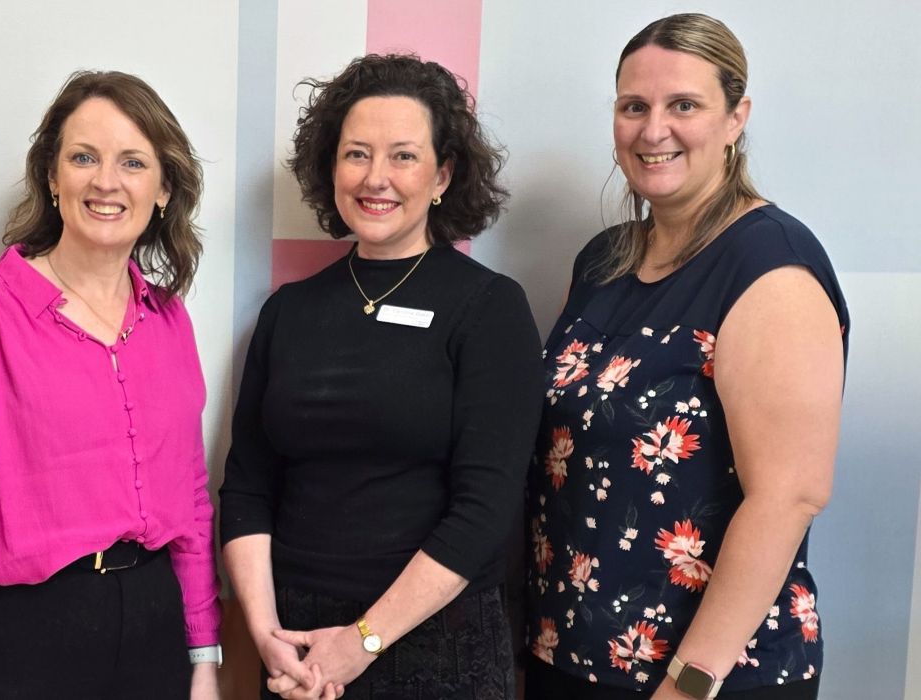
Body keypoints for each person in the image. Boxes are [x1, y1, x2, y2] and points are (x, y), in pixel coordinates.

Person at [524, 13, 847, 700]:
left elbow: (790, 495)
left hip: (708, 677)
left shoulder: (771, 268)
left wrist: (689, 682)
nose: (653, 129)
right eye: (633, 106)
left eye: (684, 106)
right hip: (572, 659)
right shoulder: (603, 260)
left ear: (736, 118)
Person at [219, 54, 544, 700]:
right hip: (299, 650)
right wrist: (266, 635)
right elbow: (248, 487)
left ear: (444, 174)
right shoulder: (288, 311)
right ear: (330, 168)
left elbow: (485, 511)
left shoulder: (489, 309)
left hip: (437, 641)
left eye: (403, 156)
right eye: (357, 154)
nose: (376, 178)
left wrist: (362, 641)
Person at [0, 70, 222, 700]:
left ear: (163, 189)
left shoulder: (168, 320)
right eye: (83, 157)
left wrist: (203, 655)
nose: (106, 181)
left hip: (154, 630)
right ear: (51, 176)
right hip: (22, 640)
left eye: (133, 162)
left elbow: (193, 502)